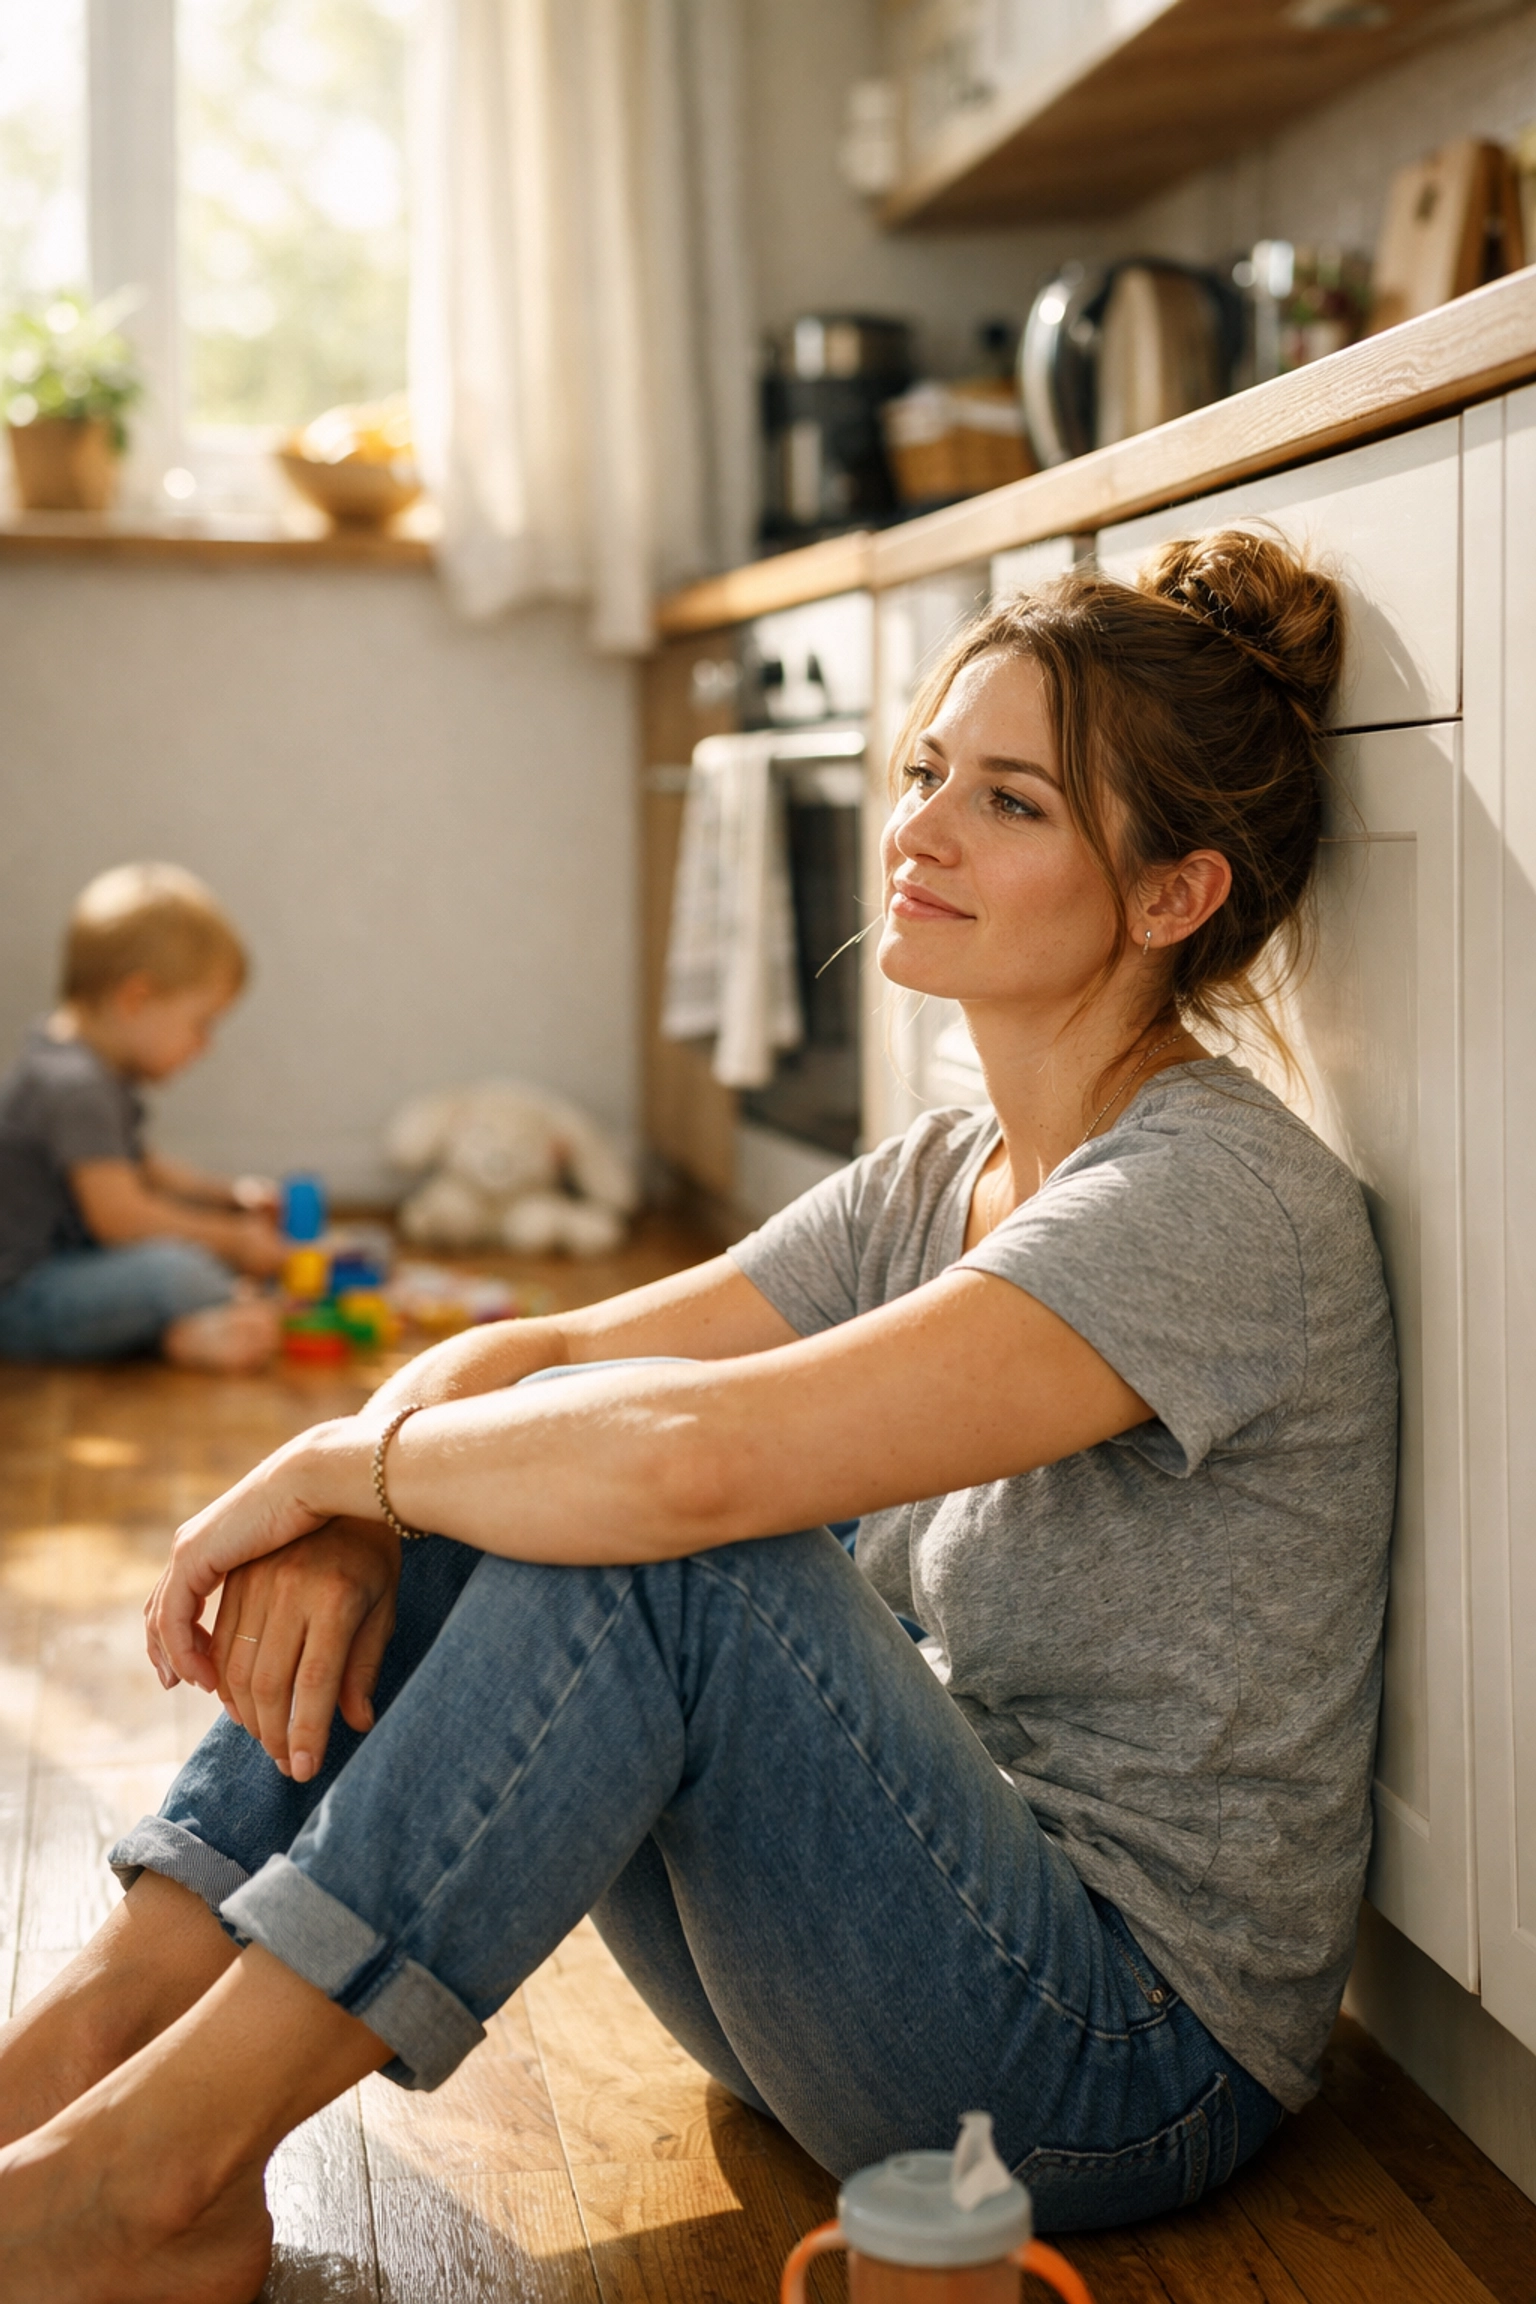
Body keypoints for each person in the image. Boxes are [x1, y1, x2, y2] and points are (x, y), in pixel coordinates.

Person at [0, 531, 1397, 2303]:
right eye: (924, 772)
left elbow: (685, 1463)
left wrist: (334, 1463)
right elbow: (548, 1349)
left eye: (1012, 801)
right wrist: (368, 1507)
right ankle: (66, 2062)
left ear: (1173, 894)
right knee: (522, 1471)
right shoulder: (947, 1166)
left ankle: (144, 2180)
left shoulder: (1213, 1202)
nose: (920, 828)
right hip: (866, 1959)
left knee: (668, 1539)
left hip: (1106, 2060)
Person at [0, 863, 284, 1373]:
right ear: (137, 999)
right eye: (200, 1024)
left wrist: (225, 1196)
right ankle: (181, 1336)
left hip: (56, 1276)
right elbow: (123, 1219)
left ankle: (189, 1320)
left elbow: (144, 1169)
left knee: (180, 1261)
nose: (205, 1045)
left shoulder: (74, 1060)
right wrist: (233, 1241)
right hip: (21, 1299)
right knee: (175, 1273)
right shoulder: (76, 1086)